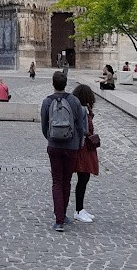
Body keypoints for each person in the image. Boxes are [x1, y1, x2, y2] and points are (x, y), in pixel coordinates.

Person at [41, 71, 84, 232]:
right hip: (71, 146)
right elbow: (80, 126)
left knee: (57, 181)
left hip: (54, 146)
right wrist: (79, 142)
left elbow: (44, 126)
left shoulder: (47, 102)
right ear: (66, 84)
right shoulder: (74, 101)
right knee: (67, 180)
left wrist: (51, 138)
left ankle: (59, 220)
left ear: (53, 84)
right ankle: (63, 215)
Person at [72, 85, 99, 223]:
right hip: (83, 148)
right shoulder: (81, 111)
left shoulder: (83, 109)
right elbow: (84, 129)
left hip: (84, 148)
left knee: (84, 178)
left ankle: (80, 208)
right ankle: (78, 210)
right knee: (83, 178)